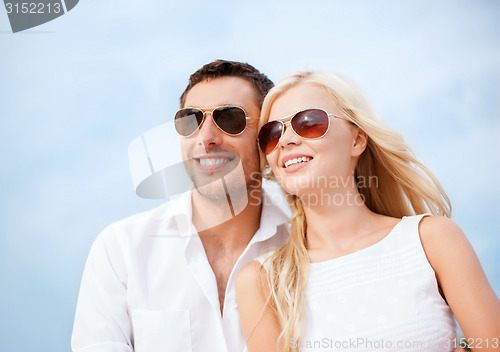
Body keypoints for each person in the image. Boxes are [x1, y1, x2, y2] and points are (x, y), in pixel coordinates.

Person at [236, 71, 500, 352]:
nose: (286, 140)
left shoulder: (432, 240)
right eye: (272, 133)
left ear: (357, 140)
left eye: (309, 122)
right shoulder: (263, 280)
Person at [71, 60, 290, 352]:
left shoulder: (308, 240)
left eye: (230, 119)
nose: (206, 138)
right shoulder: (121, 250)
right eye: (191, 120)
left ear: (268, 138)